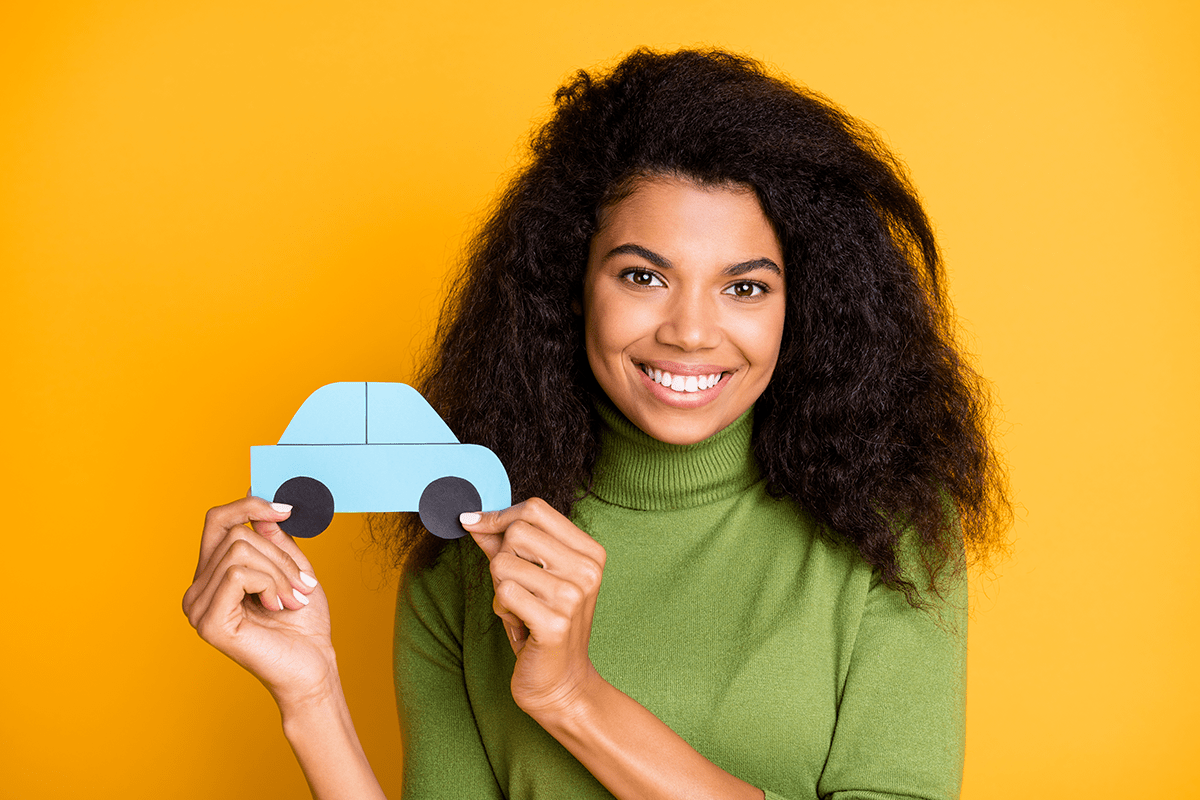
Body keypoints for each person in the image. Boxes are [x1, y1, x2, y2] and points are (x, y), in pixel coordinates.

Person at [183, 48, 1009, 800]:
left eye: (745, 287)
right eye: (644, 276)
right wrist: (311, 699)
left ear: (810, 306)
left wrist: (574, 697)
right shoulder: (471, 554)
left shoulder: (889, 535)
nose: (691, 331)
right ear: (569, 286)